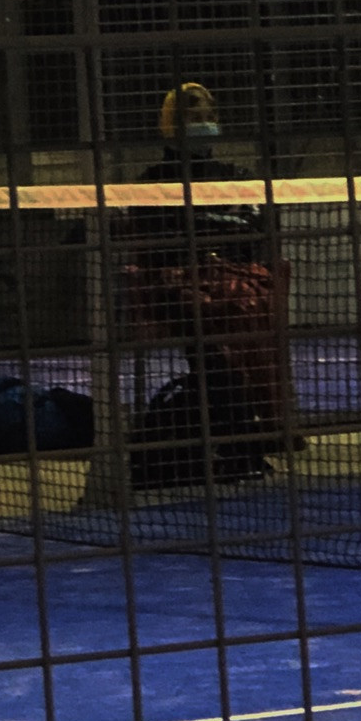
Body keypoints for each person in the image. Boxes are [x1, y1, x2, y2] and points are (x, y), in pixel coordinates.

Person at [125, 84, 290, 486]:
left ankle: (243, 442)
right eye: (192, 118)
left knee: (242, 320)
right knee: (218, 337)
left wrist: (200, 225)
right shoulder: (151, 182)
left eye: (208, 117)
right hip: (180, 289)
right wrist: (212, 229)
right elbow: (160, 236)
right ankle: (239, 445)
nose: (204, 124)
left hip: (234, 285)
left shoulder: (237, 176)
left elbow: (254, 228)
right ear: (170, 125)